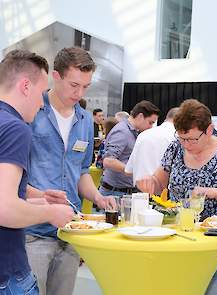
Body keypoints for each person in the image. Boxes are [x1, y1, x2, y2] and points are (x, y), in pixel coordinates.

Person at [137, 99, 217, 295]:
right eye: (182, 138)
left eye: (192, 139)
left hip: (215, 244)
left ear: (209, 130)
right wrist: (149, 182)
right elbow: (158, 182)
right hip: (177, 240)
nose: (186, 145)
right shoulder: (175, 148)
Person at [25, 47, 114, 295]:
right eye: (74, 85)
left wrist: (97, 197)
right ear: (56, 76)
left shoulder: (85, 120)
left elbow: (82, 171)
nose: (80, 93)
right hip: (33, 231)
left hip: (70, 231)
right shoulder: (32, 111)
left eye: (86, 87)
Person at [0, 50, 74, 294]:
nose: (43, 103)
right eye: (42, 93)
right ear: (24, 86)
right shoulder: (15, 128)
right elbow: (5, 208)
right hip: (8, 273)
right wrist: (50, 212)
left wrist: (37, 195)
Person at [100, 100, 160, 197]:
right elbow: (108, 161)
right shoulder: (122, 132)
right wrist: (135, 171)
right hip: (115, 193)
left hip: (123, 191)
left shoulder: (133, 132)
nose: (151, 127)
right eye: (150, 122)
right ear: (140, 116)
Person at [125, 107, 179, 186]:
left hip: (139, 191)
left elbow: (129, 171)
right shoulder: (177, 137)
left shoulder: (143, 135)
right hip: (163, 191)